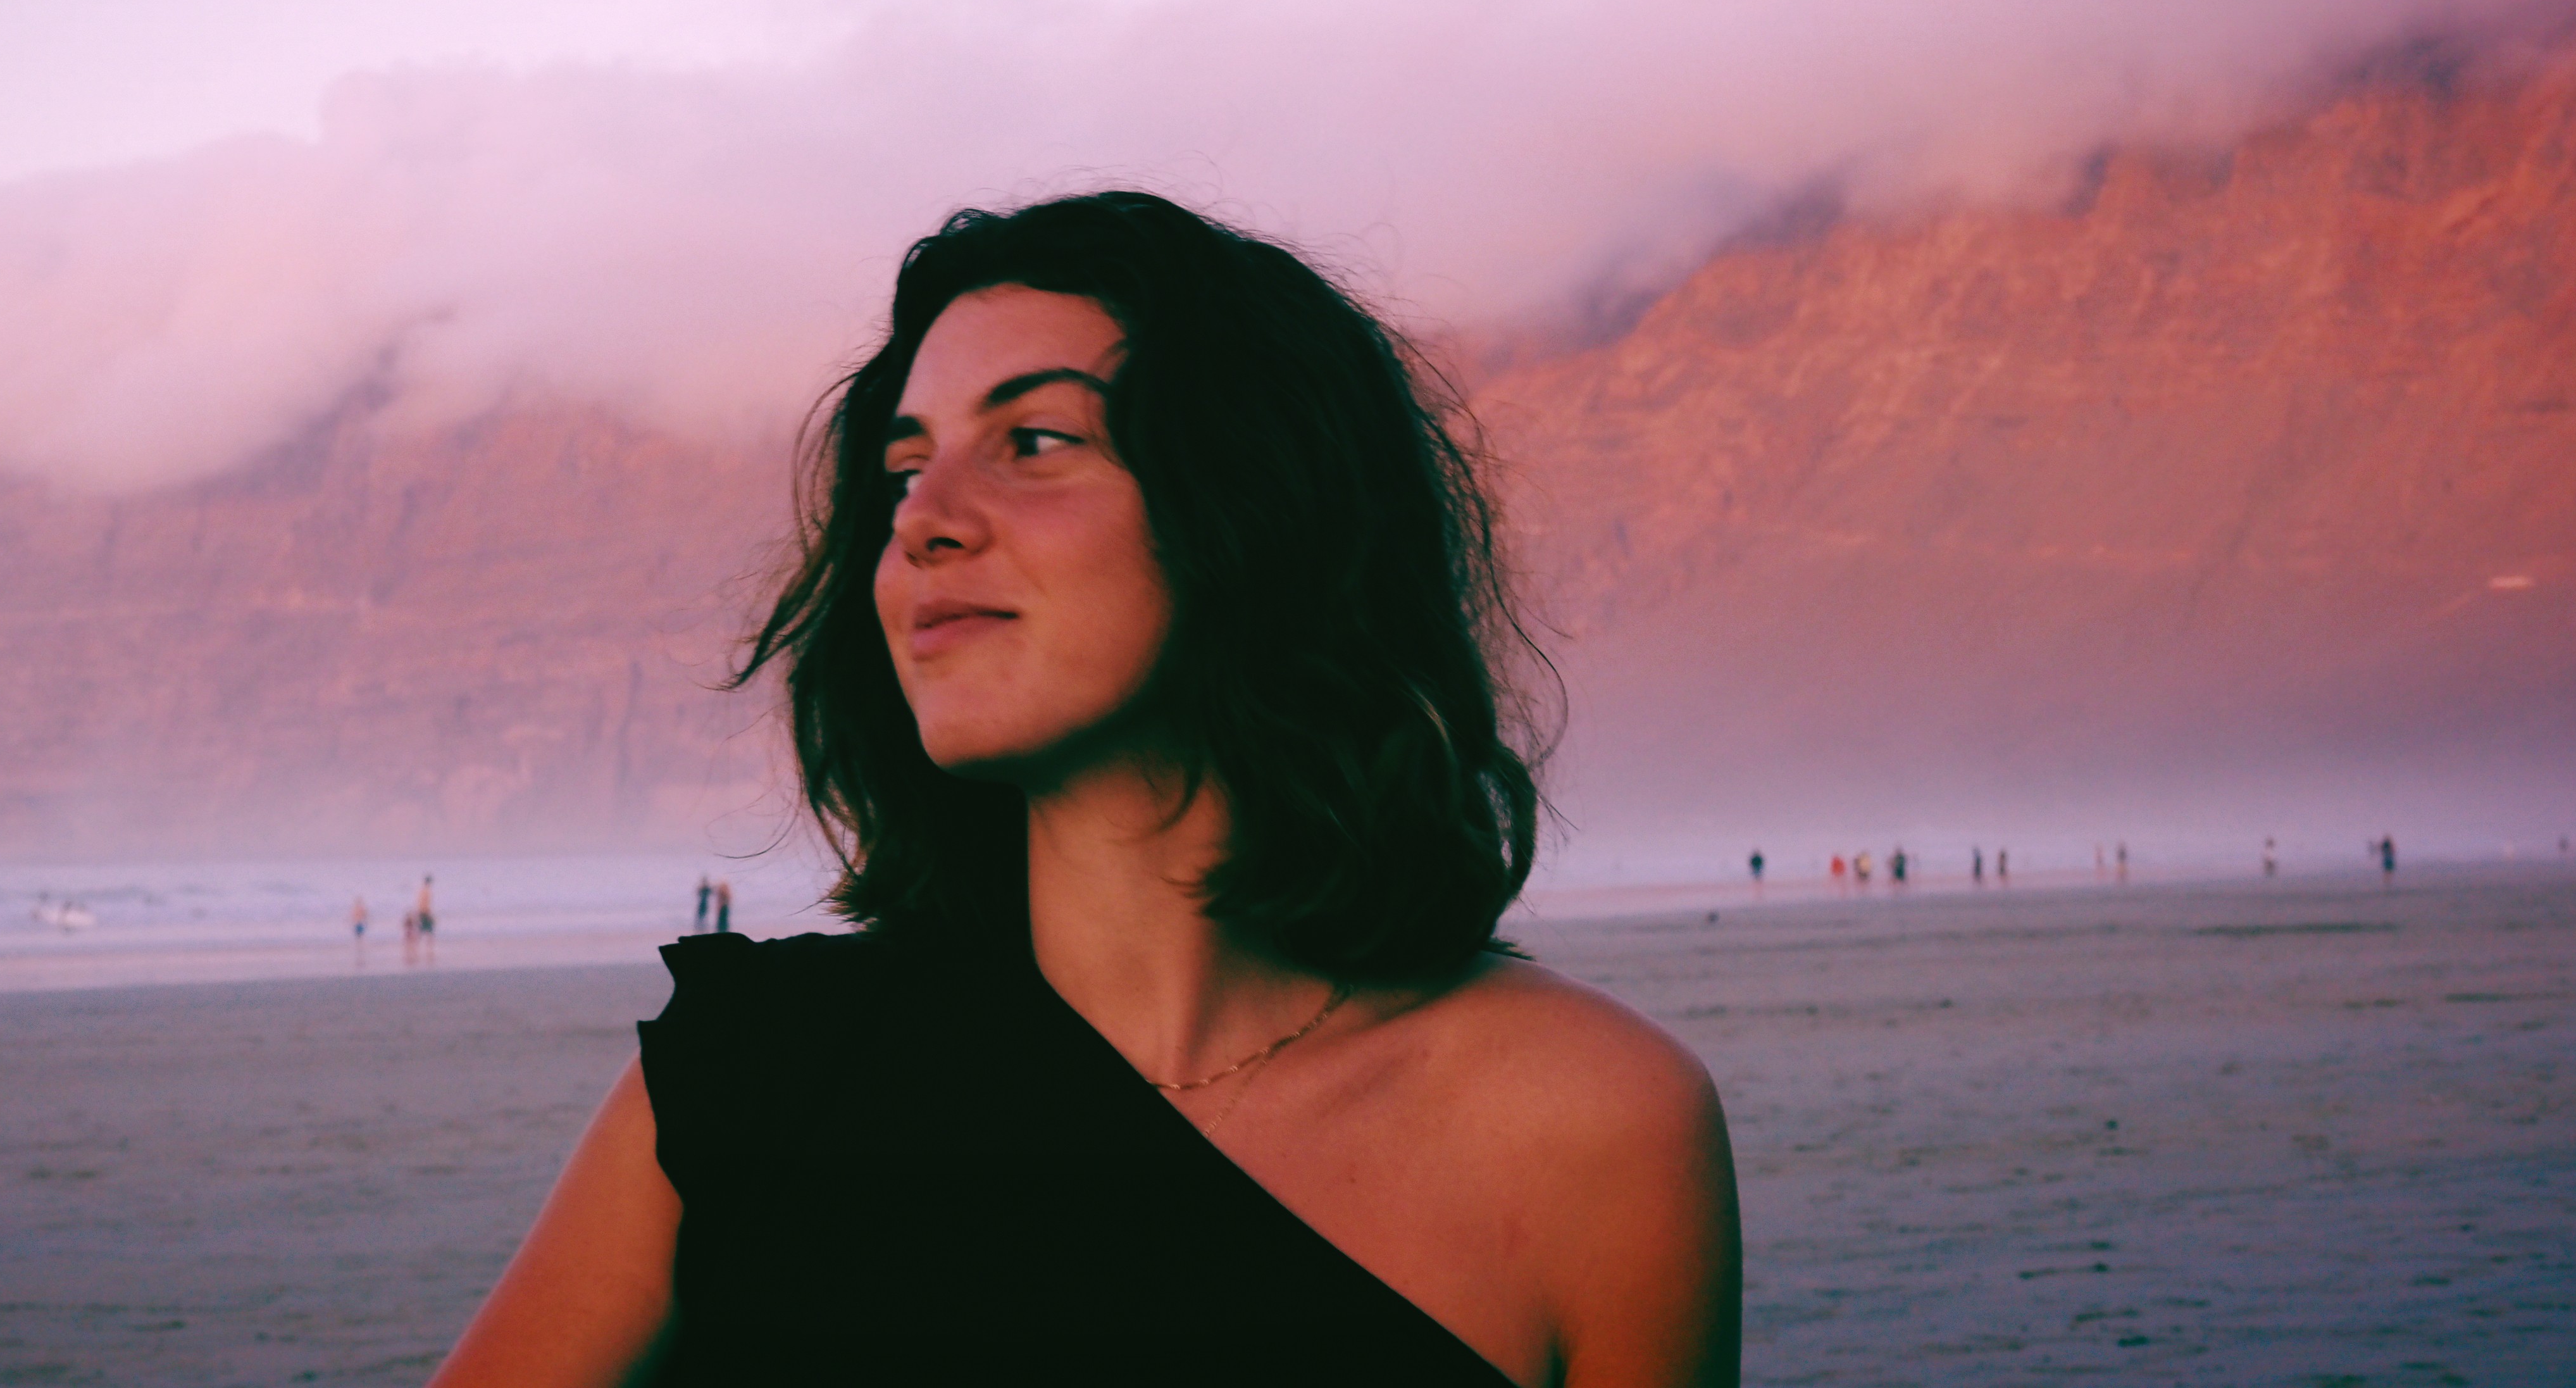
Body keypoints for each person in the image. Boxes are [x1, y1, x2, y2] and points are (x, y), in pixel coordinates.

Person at [432, 192, 1738, 1387]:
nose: (924, 517)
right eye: (902, 468)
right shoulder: (743, 1080)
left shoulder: (1597, 1130)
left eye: (1034, 440)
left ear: (1262, 503)